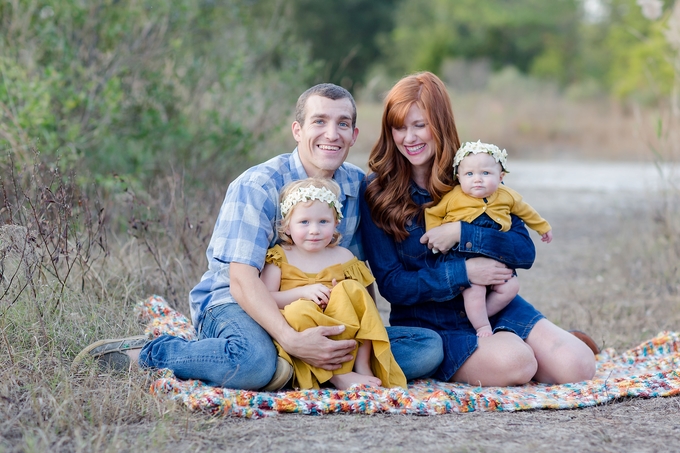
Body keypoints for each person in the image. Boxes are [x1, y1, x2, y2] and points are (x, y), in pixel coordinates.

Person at [73, 83, 443, 391]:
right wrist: (292, 337)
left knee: (427, 348)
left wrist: (364, 332)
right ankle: (155, 353)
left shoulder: (355, 185)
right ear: (297, 130)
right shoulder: (259, 185)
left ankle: (307, 366)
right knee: (252, 363)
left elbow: (356, 274)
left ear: (354, 135)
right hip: (236, 304)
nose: (332, 134)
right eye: (319, 121)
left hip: (319, 312)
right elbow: (241, 281)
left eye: (342, 123)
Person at [359, 71, 596, 387]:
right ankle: (521, 352)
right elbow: (392, 285)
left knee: (579, 367)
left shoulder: (473, 172)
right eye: (400, 127)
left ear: (440, 123)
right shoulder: (376, 191)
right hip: (433, 324)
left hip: (495, 307)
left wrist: (463, 234)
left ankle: (544, 346)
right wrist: (465, 273)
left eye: (420, 125)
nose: (409, 138)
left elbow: (524, 252)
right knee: (517, 363)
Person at [261, 177, 406, 389]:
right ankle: (335, 376)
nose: (314, 230)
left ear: (336, 223)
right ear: (287, 227)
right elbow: (266, 299)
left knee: (352, 289)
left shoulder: (344, 257)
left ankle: (361, 365)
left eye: (323, 222)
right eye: (304, 222)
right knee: (298, 311)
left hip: (342, 333)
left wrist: (341, 295)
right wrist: (304, 292)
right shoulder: (279, 257)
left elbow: (365, 310)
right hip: (303, 335)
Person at [423, 140, 553, 337]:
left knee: (511, 286)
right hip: (463, 256)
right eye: (469, 174)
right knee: (474, 291)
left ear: (501, 177)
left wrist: (542, 227)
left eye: (485, 173)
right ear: (458, 177)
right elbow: (433, 212)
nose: (477, 179)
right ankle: (482, 326)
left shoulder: (507, 195)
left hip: (496, 255)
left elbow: (526, 211)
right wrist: (434, 235)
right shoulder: (453, 196)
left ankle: (481, 315)